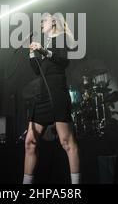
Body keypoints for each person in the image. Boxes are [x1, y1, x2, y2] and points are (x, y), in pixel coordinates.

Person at [23, 13, 81, 184]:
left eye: (44, 20)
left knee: (66, 141)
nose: (41, 23)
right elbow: (37, 70)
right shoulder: (46, 42)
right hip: (42, 94)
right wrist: (32, 53)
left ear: (54, 21)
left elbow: (64, 61)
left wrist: (43, 50)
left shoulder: (62, 38)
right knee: (30, 141)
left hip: (57, 92)